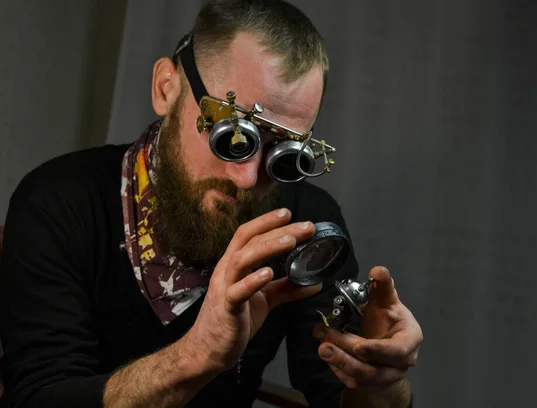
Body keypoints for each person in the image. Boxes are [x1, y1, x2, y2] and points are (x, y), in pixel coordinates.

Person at [0, 1, 423, 407]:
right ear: (167, 89)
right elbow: (40, 394)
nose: (248, 178)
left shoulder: (307, 222)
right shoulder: (58, 202)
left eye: (284, 155)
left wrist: (382, 379)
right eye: (234, 138)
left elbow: (339, 391)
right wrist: (197, 355)